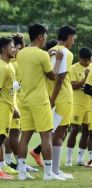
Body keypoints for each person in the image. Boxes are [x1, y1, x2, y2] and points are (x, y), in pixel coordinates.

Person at [16, 23, 63, 180]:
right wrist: (57, 60)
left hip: (24, 100)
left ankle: (22, 172)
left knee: (25, 136)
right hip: (40, 100)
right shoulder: (42, 55)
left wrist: (48, 55)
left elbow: (34, 66)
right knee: (46, 136)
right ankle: (48, 173)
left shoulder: (21, 53)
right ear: (40, 37)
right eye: (45, 38)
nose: (45, 41)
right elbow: (53, 75)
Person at [3, 34, 39, 173]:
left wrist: (23, 42)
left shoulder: (14, 63)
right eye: (14, 48)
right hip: (13, 102)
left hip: (14, 101)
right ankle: (17, 163)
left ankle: (9, 162)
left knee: (9, 133)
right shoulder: (11, 64)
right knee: (12, 134)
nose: (17, 51)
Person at [48, 25, 76, 179]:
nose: (74, 41)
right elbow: (60, 79)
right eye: (73, 38)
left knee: (58, 132)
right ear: (69, 37)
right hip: (62, 97)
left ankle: (55, 169)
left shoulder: (51, 50)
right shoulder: (67, 53)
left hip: (54, 96)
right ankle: (54, 170)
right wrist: (53, 99)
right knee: (59, 133)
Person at [29, 39, 58, 168]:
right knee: (50, 132)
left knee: (53, 132)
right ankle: (50, 168)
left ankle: (36, 152)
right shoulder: (47, 60)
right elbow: (54, 76)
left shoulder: (43, 57)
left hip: (48, 98)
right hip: (48, 99)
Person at [65, 47, 92, 167]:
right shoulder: (73, 68)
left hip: (89, 104)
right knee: (74, 130)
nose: (87, 62)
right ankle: (68, 159)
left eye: (89, 60)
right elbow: (73, 86)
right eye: (85, 60)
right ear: (80, 58)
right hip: (77, 103)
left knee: (86, 132)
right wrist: (85, 79)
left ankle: (79, 158)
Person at [0, 37, 17, 180]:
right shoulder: (2, 66)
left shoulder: (9, 65)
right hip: (2, 108)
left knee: (2, 138)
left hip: (8, 108)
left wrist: (14, 107)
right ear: (4, 49)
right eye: (12, 47)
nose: (15, 49)